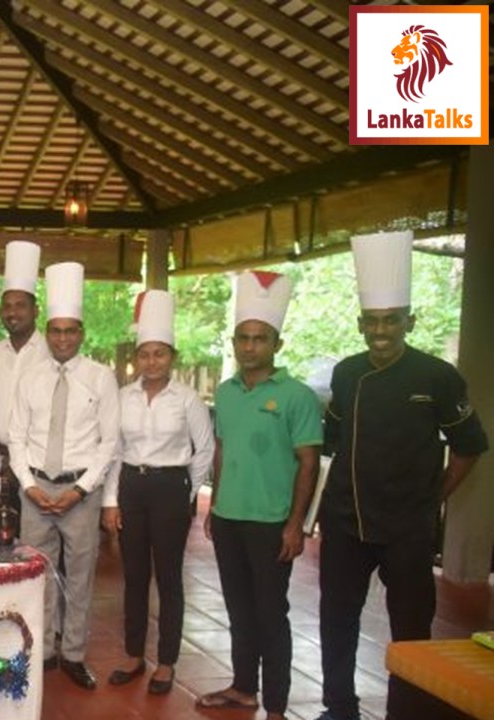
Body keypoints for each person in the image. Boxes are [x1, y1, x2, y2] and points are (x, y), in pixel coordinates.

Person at [317, 232, 487, 720]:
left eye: (391, 320)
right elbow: (333, 441)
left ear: (410, 321)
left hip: (407, 528)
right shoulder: (347, 374)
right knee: (336, 620)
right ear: (359, 323)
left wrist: (433, 497)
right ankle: (339, 707)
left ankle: (405, 712)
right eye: (371, 321)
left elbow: (470, 446)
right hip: (347, 521)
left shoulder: (437, 376)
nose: (381, 330)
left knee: (411, 628)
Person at [196, 270, 323, 720]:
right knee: (238, 609)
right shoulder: (227, 394)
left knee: (271, 615)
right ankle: (244, 688)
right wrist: (216, 504)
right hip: (229, 517)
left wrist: (295, 525)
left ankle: (277, 706)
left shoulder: (297, 397)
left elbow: (309, 463)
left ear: (277, 345)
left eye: (259, 338)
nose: (249, 346)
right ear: (233, 343)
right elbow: (223, 449)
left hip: (272, 524)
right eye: (242, 338)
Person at [8, 261, 119, 690]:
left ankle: (72, 653)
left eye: (71, 331)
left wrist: (80, 490)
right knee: (37, 573)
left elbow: (109, 443)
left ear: (82, 333)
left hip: (80, 492)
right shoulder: (31, 377)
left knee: (80, 574)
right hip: (35, 488)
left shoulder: (100, 377)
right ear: (47, 331)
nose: (63, 338)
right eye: (56, 331)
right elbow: (16, 437)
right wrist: (29, 486)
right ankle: (43, 650)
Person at [101, 290, 214, 695]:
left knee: (168, 579)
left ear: (173, 357)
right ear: (136, 357)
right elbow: (113, 451)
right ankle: (134, 655)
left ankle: (166, 662)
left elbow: (205, 450)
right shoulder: (122, 396)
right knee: (134, 577)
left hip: (170, 488)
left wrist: (186, 490)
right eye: (145, 354)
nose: (152, 361)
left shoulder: (187, 400)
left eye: (160, 354)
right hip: (131, 484)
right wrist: (110, 501)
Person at [0, 240, 48, 523]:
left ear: (36, 310)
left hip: (38, 465)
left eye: (20, 305)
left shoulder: (52, 355)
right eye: (6, 306)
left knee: (37, 541)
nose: (12, 312)